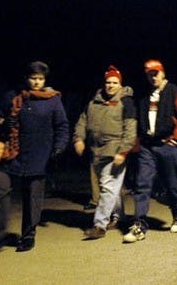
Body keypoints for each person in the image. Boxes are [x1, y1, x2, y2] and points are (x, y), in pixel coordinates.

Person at [0, 61, 69, 253]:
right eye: (33, 78)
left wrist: (58, 148)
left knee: (32, 196)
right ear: (26, 78)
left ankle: (28, 235)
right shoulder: (11, 97)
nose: (37, 82)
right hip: (10, 153)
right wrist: (2, 125)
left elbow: (62, 126)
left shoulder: (53, 100)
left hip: (39, 153)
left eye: (41, 79)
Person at [123, 59, 177, 243]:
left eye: (156, 73)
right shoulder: (144, 95)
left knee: (172, 184)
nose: (153, 77)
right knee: (142, 184)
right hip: (147, 146)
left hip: (166, 146)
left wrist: (176, 138)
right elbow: (138, 118)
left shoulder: (174, 91)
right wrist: (137, 142)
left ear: (162, 73)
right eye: (149, 74)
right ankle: (139, 225)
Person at [73, 65, 136, 239]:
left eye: (114, 82)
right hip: (96, 151)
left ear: (120, 84)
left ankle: (99, 225)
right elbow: (82, 121)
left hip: (114, 151)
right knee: (109, 187)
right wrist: (79, 138)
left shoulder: (126, 102)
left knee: (108, 187)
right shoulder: (94, 101)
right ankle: (119, 216)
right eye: (108, 82)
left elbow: (130, 129)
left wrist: (123, 151)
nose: (110, 85)